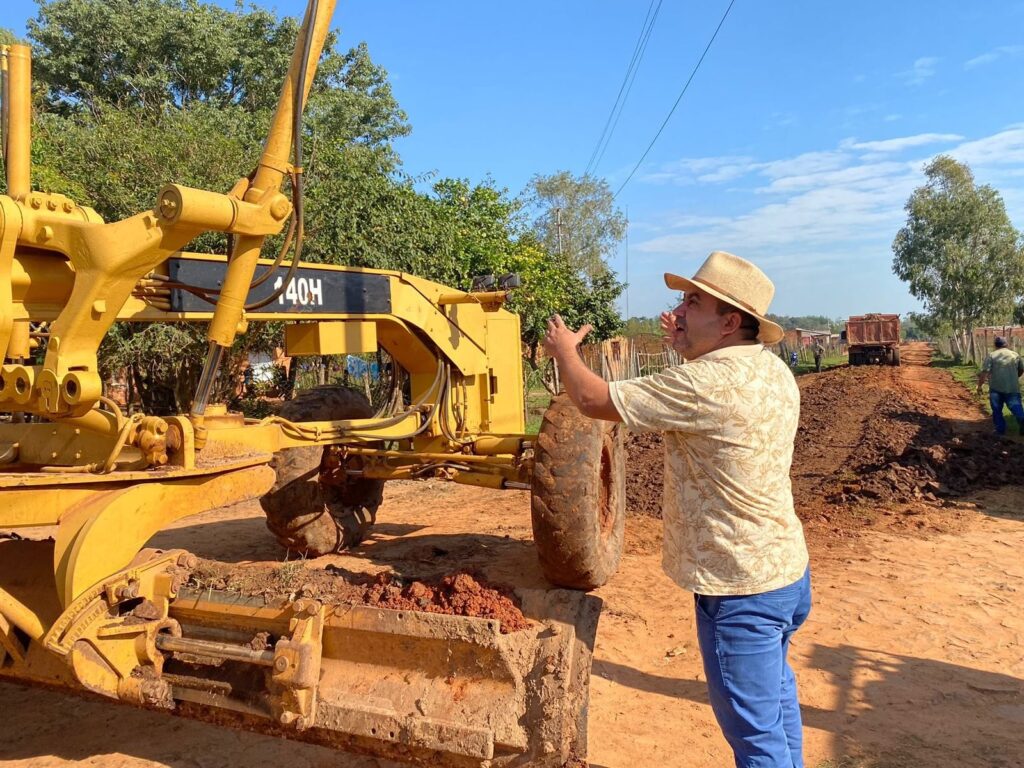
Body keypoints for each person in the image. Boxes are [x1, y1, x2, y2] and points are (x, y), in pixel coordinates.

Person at [543, 250, 811, 768]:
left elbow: (594, 400)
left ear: (730, 321)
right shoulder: (771, 370)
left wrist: (564, 352)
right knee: (776, 708)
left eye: (693, 301)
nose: (679, 310)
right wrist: (688, 346)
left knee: (755, 738)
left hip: (739, 591)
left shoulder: (704, 384)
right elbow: (709, 393)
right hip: (784, 574)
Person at [977, 336, 1024, 435]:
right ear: (1006, 344)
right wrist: (1015, 377)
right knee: (1016, 407)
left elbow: (985, 372)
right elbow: (1021, 369)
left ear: (995, 345)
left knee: (997, 410)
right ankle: (1022, 421)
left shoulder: (992, 355)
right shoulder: (1015, 355)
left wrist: (980, 385)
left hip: (996, 388)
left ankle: (1000, 430)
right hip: (1013, 387)